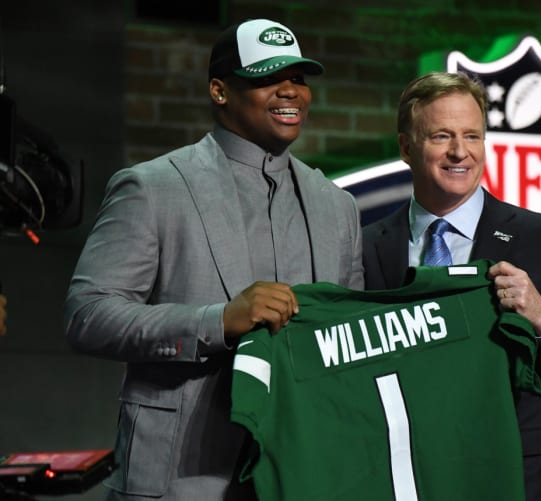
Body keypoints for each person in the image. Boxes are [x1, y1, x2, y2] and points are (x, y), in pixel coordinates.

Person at [64, 18, 363, 501]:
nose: (290, 91)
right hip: (182, 477)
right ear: (220, 91)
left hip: (302, 475)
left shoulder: (337, 206)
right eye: (269, 77)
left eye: (299, 79)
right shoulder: (153, 187)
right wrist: (218, 321)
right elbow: (87, 315)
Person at [362, 72, 541, 501]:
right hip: (406, 482)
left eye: (472, 135)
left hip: (522, 483)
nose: (459, 152)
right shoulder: (365, 246)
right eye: (441, 136)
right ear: (406, 148)